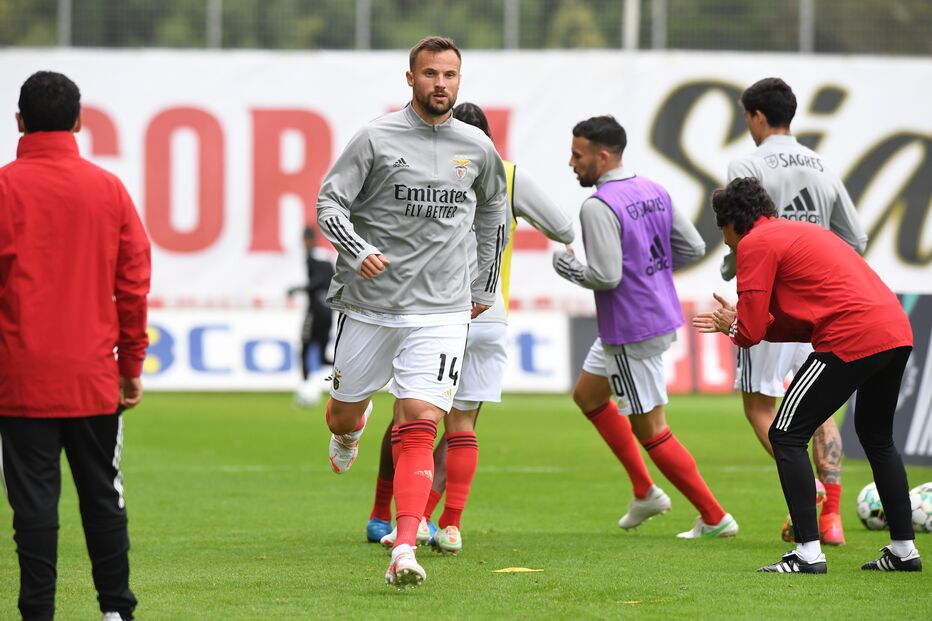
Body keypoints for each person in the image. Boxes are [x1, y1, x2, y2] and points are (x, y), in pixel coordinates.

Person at [315, 37, 507, 589]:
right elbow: (330, 202)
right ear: (410, 78)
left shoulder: (476, 146)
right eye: (430, 74)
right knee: (343, 416)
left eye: (450, 75)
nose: (440, 84)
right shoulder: (375, 137)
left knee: (420, 421)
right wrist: (358, 250)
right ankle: (350, 432)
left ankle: (403, 547)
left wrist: (484, 282)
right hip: (370, 306)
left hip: (443, 310)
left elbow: (495, 209)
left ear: (459, 81)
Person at [368, 102, 576, 553]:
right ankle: (449, 525)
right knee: (462, 426)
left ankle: (400, 517)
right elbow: (562, 226)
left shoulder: (430, 170)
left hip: (436, 311)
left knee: (412, 420)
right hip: (491, 312)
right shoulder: (508, 174)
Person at [696, 176, 919, 573]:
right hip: (895, 330)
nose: (726, 240)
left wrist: (733, 324)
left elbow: (748, 334)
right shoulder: (800, 232)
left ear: (733, 222)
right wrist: (742, 323)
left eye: (722, 229)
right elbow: (789, 325)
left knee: (785, 433)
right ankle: (904, 551)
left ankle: (808, 553)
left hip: (851, 335)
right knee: (877, 437)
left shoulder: (755, 244)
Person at [0, 72, 150, 621]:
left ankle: (37, 612)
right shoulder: (107, 189)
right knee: (102, 497)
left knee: (32, 505)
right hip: (93, 378)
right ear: (80, 121)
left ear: (19, 121)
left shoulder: (4, 188)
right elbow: (133, 286)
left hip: (19, 379)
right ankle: (116, 611)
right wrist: (131, 365)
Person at [552, 115, 737, 539]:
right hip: (654, 314)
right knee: (588, 394)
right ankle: (643, 491)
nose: (571, 163)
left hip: (629, 328)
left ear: (602, 156)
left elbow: (606, 276)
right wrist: (651, 273)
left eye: (578, 155)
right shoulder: (653, 188)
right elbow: (690, 246)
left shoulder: (598, 205)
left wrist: (567, 266)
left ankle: (714, 517)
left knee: (650, 428)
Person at [722, 77, 868, 545]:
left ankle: (809, 500)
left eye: (747, 117)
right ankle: (834, 515)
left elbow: (741, 226)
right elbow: (857, 238)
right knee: (818, 405)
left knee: (758, 404)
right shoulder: (822, 163)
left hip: (769, 300)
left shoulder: (746, 162)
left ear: (758, 117)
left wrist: (734, 268)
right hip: (818, 304)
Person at [287, 226, 335, 406]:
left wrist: (298, 289)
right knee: (322, 356)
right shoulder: (326, 257)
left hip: (315, 312)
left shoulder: (312, 257)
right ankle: (345, 374)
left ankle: (305, 387)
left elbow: (318, 282)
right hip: (328, 311)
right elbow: (331, 279)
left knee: (305, 349)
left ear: (307, 240)